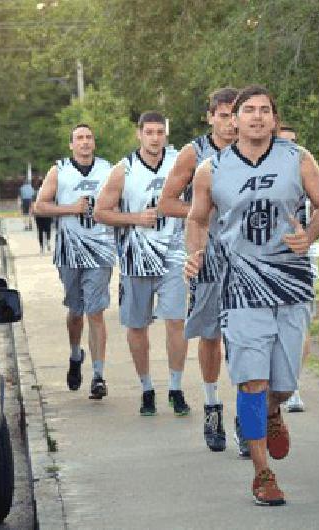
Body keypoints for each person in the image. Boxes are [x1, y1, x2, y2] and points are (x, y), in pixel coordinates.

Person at [185, 85, 319, 506]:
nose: (255, 117)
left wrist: (311, 234)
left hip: (289, 281)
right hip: (240, 285)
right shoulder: (210, 170)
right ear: (233, 119)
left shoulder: (298, 159)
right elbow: (197, 219)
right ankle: (262, 472)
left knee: (282, 384)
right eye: (247, 110)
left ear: (273, 117)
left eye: (264, 110)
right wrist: (195, 254)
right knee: (252, 381)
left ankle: (274, 411)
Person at [94, 111, 192, 417]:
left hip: (174, 256)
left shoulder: (181, 162)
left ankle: (175, 388)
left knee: (176, 322)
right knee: (137, 327)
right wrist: (135, 218)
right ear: (139, 134)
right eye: (149, 132)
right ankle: (147, 388)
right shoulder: (124, 170)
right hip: (136, 259)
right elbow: (100, 212)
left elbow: (201, 200)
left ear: (166, 134)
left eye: (159, 132)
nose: (154, 137)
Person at [158, 87, 238, 452]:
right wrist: (201, 212)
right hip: (207, 254)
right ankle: (211, 405)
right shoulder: (195, 153)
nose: (230, 123)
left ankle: (247, 416)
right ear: (210, 117)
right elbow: (166, 202)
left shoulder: (258, 151)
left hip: (249, 257)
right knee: (211, 334)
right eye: (223, 115)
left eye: (235, 115)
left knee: (247, 336)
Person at [33, 124, 115, 399]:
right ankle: (75, 354)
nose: (84, 142)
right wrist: (71, 209)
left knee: (96, 311)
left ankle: (99, 375)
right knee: (76, 312)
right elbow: (40, 206)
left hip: (101, 249)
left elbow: (121, 204)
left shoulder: (108, 169)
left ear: (94, 142)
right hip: (69, 251)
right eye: (79, 138)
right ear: (71, 145)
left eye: (89, 137)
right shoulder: (59, 170)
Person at [276, 123, 313, 414]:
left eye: (294, 141)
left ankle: (292, 385)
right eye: (284, 141)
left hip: (299, 262)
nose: (290, 146)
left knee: (300, 327)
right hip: (260, 265)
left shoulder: (304, 167)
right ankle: (260, 415)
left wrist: (308, 237)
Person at [32, 179, 54, 255]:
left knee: (40, 230)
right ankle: (48, 241)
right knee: (48, 229)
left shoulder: (35, 194)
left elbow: (33, 204)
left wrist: (33, 212)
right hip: (47, 213)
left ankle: (41, 247)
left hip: (38, 214)